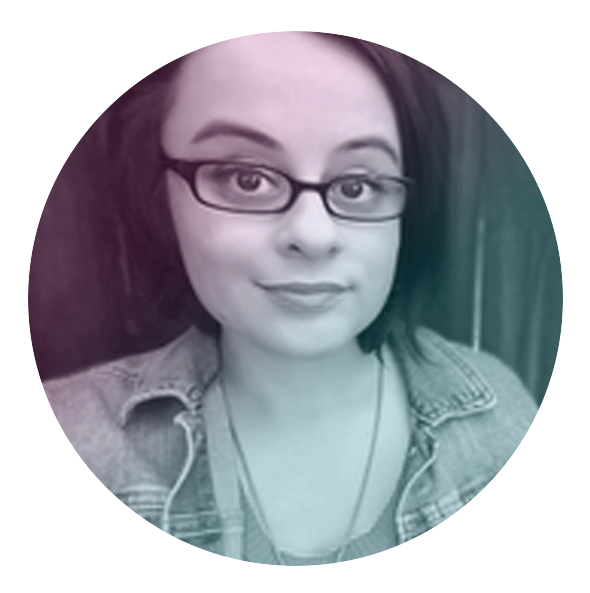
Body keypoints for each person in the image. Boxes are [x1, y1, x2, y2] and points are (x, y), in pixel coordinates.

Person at [43, 32, 538, 565]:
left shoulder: (500, 416)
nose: (313, 235)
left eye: (357, 186)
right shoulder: (65, 442)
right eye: (246, 179)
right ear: (161, 195)